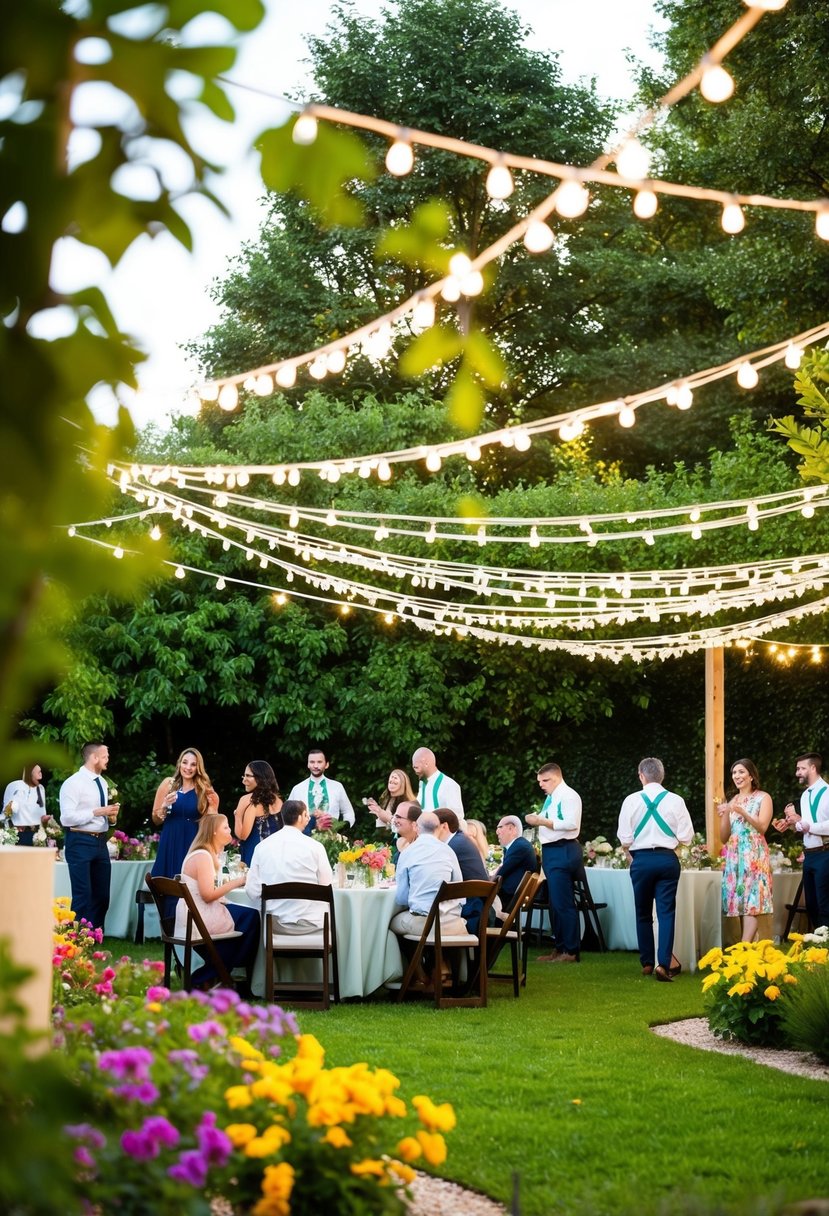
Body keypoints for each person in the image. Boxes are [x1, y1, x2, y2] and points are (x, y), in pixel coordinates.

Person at [617, 757, 694, 982]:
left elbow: (624, 837)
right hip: (667, 860)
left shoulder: (631, 800)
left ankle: (647, 963)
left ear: (641, 775)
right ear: (662, 776)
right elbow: (686, 837)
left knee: (643, 912)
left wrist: (630, 855)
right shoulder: (676, 800)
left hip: (640, 860)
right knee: (666, 912)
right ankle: (664, 963)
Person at [175, 813, 259, 990]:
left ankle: (219, 975)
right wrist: (239, 881)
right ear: (214, 832)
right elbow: (207, 895)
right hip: (197, 917)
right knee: (251, 918)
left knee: (247, 917)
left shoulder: (206, 854)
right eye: (226, 827)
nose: (230, 831)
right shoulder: (202, 856)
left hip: (196, 912)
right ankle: (209, 976)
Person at [244, 800, 333, 933]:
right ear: (301, 816)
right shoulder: (316, 847)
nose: (309, 819)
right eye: (306, 815)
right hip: (313, 924)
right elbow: (326, 885)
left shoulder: (262, 847)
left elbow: (252, 891)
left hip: (273, 925)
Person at [525, 762, 583, 964]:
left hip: (563, 849)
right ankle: (559, 948)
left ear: (557, 777)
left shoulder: (569, 796)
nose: (541, 784)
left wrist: (541, 821)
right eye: (539, 781)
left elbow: (571, 824)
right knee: (554, 903)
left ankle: (571, 950)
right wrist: (537, 818)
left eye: (545, 780)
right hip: (552, 850)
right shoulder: (551, 797)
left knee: (563, 902)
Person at [59, 742, 120, 930]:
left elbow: (102, 816)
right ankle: (75, 940)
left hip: (100, 843)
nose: (107, 759)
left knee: (102, 895)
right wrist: (96, 812)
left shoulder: (102, 782)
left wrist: (111, 818)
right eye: (104, 756)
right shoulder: (72, 783)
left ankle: (93, 937)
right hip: (79, 842)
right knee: (83, 895)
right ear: (94, 758)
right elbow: (66, 818)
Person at [718, 758, 773, 942]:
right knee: (741, 897)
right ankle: (748, 944)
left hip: (754, 853)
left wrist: (743, 812)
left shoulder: (763, 798)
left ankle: (744, 944)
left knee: (753, 897)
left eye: (741, 772)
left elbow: (763, 827)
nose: (737, 776)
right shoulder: (732, 799)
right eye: (734, 773)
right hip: (735, 854)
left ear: (751, 776)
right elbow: (723, 837)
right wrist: (725, 814)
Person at [773, 752, 829, 929]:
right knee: (812, 904)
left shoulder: (828, 792)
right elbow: (804, 825)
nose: (797, 773)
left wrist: (804, 824)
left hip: (825, 853)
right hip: (809, 855)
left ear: (813, 768)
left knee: (824, 904)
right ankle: (820, 944)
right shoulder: (805, 796)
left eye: (801, 768)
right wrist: (790, 824)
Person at [150, 747, 219, 885]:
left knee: (189, 888)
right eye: (185, 762)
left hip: (192, 844)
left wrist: (213, 807)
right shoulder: (168, 784)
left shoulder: (204, 790)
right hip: (169, 842)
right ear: (179, 763)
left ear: (198, 768)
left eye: (193, 764)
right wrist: (164, 805)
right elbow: (156, 820)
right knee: (165, 886)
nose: (188, 767)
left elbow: (211, 825)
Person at [435, 808, 489, 933]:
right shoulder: (459, 839)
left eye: (434, 826)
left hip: (471, 910)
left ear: (444, 826)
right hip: (476, 904)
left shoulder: (453, 845)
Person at [287, 748, 355, 830]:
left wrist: (341, 829)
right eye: (312, 762)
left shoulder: (337, 787)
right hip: (304, 839)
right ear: (308, 764)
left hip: (332, 839)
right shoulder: (297, 789)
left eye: (319, 762)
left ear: (327, 764)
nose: (315, 766)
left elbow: (348, 812)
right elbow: (287, 815)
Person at [233, 760, 284, 867]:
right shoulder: (279, 801)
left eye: (248, 776)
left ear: (260, 778)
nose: (244, 781)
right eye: (244, 776)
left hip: (255, 855)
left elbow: (243, 836)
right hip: (276, 856)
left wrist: (237, 815)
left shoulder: (249, 802)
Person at [493, 815, 540, 911]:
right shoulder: (517, 845)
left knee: (476, 898)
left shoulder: (520, 846)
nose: (497, 832)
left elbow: (501, 873)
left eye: (500, 827)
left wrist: (487, 880)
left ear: (511, 829)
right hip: (510, 897)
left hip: (508, 899)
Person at [3, 763, 49, 846]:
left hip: (36, 833)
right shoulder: (16, 786)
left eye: (40, 771)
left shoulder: (41, 789)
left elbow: (41, 811)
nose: (41, 774)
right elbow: (8, 810)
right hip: (18, 832)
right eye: (38, 772)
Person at [412, 747, 464, 818]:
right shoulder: (422, 783)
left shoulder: (449, 784)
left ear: (426, 764)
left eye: (416, 767)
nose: (415, 772)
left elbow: (457, 817)